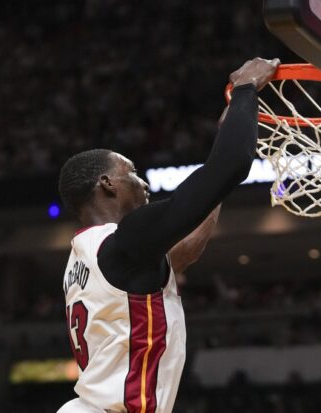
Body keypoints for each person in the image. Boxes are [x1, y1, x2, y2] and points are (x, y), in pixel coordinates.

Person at [56, 57, 280, 413]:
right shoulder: (125, 240)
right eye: (131, 173)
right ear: (107, 184)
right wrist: (245, 89)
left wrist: (214, 184)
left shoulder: (88, 254)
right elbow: (233, 162)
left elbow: (184, 251)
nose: (143, 182)